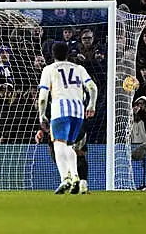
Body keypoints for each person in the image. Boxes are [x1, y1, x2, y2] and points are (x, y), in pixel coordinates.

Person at [37, 42, 98, 194]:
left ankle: (65, 178)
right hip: (78, 111)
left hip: (60, 110)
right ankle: (75, 176)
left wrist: (42, 115)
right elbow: (93, 88)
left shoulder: (49, 69)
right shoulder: (79, 68)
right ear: (68, 53)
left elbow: (43, 97)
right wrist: (91, 105)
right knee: (70, 146)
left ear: (52, 54)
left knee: (58, 144)